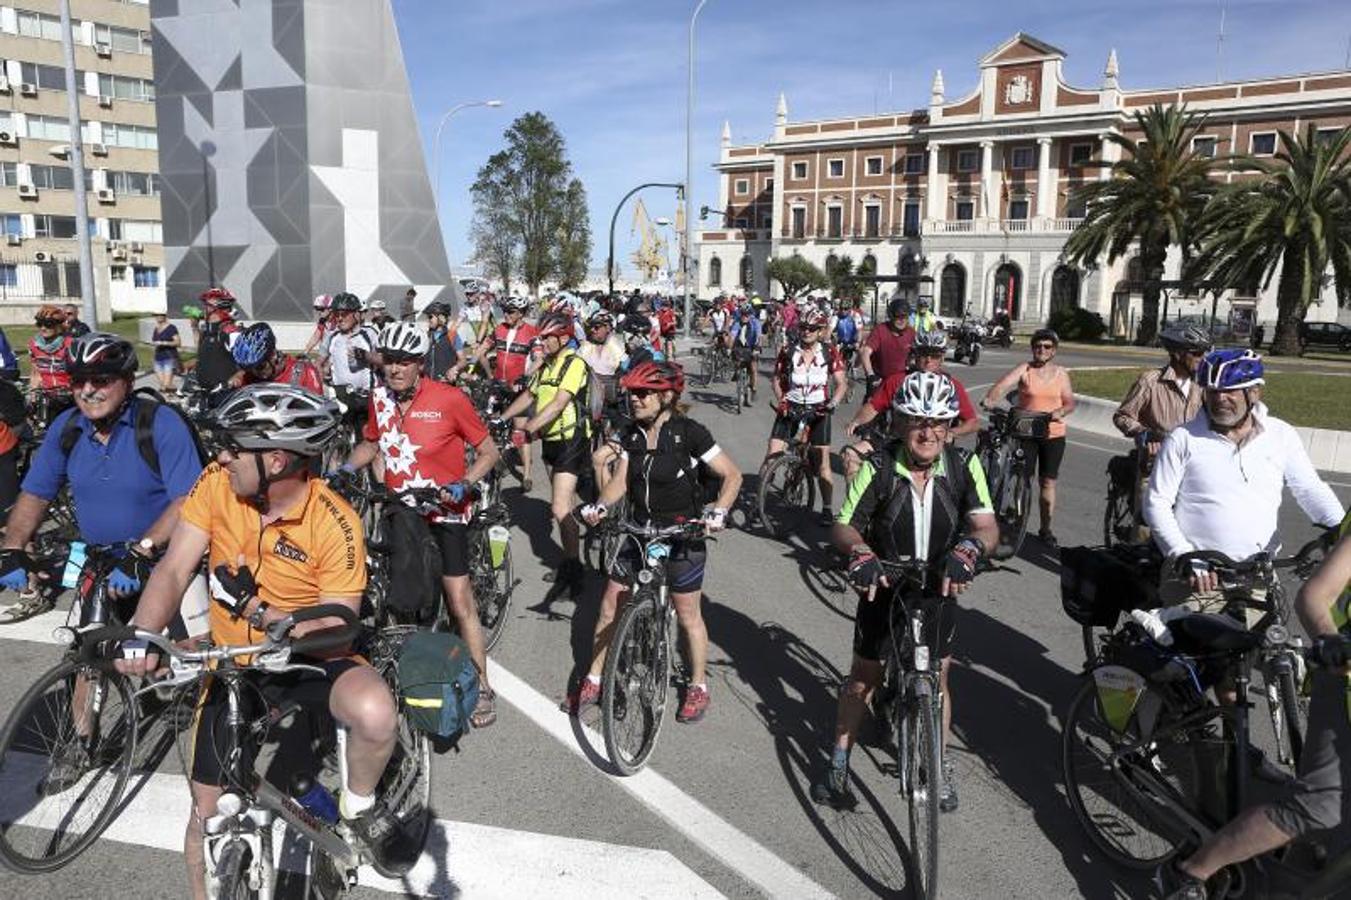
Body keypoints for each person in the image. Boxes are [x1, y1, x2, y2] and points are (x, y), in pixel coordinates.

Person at [116, 384, 418, 896]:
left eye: (234, 447)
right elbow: (172, 569)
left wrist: (261, 611)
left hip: (309, 656)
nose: (222, 456)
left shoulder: (335, 521)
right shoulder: (217, 483)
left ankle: (360, 806)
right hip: (237, 662)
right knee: (204, 817)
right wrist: (140, 638)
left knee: (374, 712)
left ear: (276, 459)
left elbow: (338, 627)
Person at [816, 371, 998, 813]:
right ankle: (838, 762)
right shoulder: (879, 466)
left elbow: (987, 526)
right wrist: (859, 552)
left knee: (937, 679)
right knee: (863, 679)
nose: (928, 432)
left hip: (939, 584)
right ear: (898, 423)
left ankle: (937, 764)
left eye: (939, 423)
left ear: (950, 426)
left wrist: (971, 549)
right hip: (883, 583)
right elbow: (844, 524)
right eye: (917, 420)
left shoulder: (962, 466)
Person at [1161, 511, 1351, 899]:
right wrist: (1331, 643)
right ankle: (1192, 873)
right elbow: (1316, 595)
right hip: (1345, 680)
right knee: (1320, 804)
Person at [340, 322, 502, 728]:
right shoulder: (381, 399)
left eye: (403, 362)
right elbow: (372, 443)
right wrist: (343, 469)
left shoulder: (449, 399)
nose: (394, 369)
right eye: (389, 361)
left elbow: (488, 452)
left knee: (458, 598)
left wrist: (463, 483)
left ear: (419, 364)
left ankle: (481, 685)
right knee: (400, 596)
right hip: (403, 510)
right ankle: (407, 675)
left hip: (446, 511)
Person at [0, 332, 204, 647]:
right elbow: (36, 494)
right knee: (87, 663)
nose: (88, 390)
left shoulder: (160, 423)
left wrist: (143, 549)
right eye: (79, 381)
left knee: (182, 669)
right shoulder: (67, 427)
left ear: (128, 381)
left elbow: (188, 499)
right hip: (102, 565)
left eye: (101, 380)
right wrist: (14, 547)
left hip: (167, 561)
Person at [570, 361, 742, 720]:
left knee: (687, 614)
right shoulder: (631, 433)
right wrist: (600, 506)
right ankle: (594, 677)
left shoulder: (690, 433)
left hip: (683, 532)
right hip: (638, 529)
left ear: (667, 396)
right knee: (608, 606)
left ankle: (697, 686)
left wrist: (719, 511)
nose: (635, 399)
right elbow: (621, 481)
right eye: (631, 393)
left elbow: (732, 475)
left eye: (643, 393)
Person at [1144, 349, 1344, 621]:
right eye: (1211, 391)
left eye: (1230, 391)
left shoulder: (1280, 435)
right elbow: (1156, 502)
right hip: (1199, 573)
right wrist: (1185, 555)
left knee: (1269, 652)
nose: (1219, 399)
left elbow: (1308, 488)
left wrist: (1341, 530)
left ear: (1255, 392)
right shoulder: (1184, 438)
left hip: (1258, 574)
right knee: (1198, 650)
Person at [500, 313, 593, 593]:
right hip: (551, 442)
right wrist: (503, 418)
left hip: (571, 441)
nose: (542, 342)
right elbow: (529, 396)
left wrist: (527, 429)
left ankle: (573, 571)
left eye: (547, 338)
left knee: (559, 507)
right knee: (563, 503)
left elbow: (557, 405)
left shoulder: (574, 364)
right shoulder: (546, 365)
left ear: (563, 338)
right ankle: (571, 555)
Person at [1112, 322, 1210, 539]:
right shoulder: (1150, 382)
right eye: (1197, 353)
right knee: (1147, 531)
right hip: (1154, 465)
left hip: (1193, 468)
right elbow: (1122, 416)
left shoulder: (1204, 386)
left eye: (1205, 353)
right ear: (1176, 353)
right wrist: (1144, 434)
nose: (1202, 358)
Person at [842, 330, 981, 479]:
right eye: (923, 354)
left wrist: (952, 433)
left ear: (942, 358)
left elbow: (973, 422)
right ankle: (860, 501)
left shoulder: (953, 386)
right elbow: (874, 407)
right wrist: (856, 422)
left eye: (934, 355)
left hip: (933, 444)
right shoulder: (897, 380)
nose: (928, 360)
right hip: (895, 441)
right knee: (850, 455)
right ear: (915, 355)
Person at [981, 328, 1076, 547]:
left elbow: (1069, 402)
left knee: (1048, 482)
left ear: (1054, 350)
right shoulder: (1025, 369)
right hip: (1026, 430)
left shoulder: (1061, 374)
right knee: (1023, 477)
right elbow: (1003, 385)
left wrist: (1059, 413)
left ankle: (1046, 528)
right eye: (1038, 346)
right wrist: (990, 399)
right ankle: (1015, 517)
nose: (1041, 350)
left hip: (1052, 433)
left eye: (1047, 347)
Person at [766, 306, 847, 524]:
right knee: (772, 454)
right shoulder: (789, 350)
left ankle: (828, 509)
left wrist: (833, 403)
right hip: (791, 406)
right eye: (803, 327)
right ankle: (762, 497)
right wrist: (782, 398)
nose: (806, 331)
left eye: (812, 328)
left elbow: (841, 383)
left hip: (819, 410)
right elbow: (776, 379)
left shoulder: (829, 352)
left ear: (820, 330)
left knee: (822, 463)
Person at [326, 292, 378, 432]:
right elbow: (322, 362)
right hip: (341, 397)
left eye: (344, 314)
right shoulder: (333, 337)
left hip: (365, 397)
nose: (339, 318)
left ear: (356, 314)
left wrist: (365, 355)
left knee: (365, 439)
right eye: (337, 314)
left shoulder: (369, 334)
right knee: (339, 438)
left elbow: (384, 360)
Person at [231, 322, 323, 393]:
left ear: (273, 355)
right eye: (249, 369)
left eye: (260, 367)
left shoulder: (305, 374)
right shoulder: (248, 378)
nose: (255, 374)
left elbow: (320, 412)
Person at [859, 297, 916, 394]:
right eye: (898, 316)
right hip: (879, 380)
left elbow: (915, 357)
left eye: (904, 316)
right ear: (891, 316)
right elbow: (865, 352)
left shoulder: (911, 333)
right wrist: (871, 375)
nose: (901, 320)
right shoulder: (880, 330)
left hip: (901, 382)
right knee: (869, 407)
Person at [27, 305, 75, 420]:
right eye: (40, 324)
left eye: (48, 324)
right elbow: (35, 373)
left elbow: (79, 373)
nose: (43, 328)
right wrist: (33, 396)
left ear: (59, 326)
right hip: (46, 396)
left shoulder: (71, 344)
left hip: (69, 395)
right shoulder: (33, 345)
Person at [194, 287, 242, 395]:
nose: (204, 311)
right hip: (206, 394)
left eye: (207, 306)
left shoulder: (230, 332)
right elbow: (204, 355)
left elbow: (249, 364)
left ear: (217, 309)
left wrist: (237, 377)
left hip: (225, 396)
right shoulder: (208, 332)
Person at [577, 309, 625, 405]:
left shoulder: (618, 347)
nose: (592, 330)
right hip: (588, 400)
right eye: (591, 327)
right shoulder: (584, 348)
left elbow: (627, 374)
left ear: (607, 328)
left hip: (612, 402)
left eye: (596, 327)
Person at [729, 300, 763, 398]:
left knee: (753, 368)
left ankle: (754, 388)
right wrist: (729, 348)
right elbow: (732, 336)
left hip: (752, 346)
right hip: (740, 346)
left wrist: (757, 348)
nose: (744, 317)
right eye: (743, 314)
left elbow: (759, 337)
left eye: (747, 315)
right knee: (735, 358)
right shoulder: (737, 323)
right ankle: (737, 372)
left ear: (750, 315)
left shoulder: (755, 322)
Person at [420, 301, 460, 382]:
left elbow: (463, 360)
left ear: (441, 318)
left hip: (445, 383)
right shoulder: (426, 336)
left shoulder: (452, 335)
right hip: (427, 383)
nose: (428, 320)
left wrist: (453, 370)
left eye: (430, 317)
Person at [150, 311, 182, 392]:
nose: (158, 317)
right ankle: (173, 397)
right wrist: (153, 359)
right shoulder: (156, 329)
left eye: (160, 315)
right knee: (162, 386)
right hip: (158, 358)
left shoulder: (171, 328)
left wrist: (164, 343)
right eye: (156, 315)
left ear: (165, 316)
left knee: (166, 385)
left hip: (169, 358)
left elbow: (178, 343)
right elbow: (155, 344)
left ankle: (177, 394)